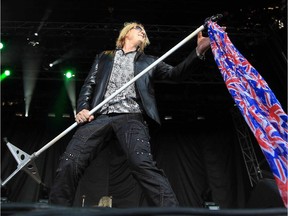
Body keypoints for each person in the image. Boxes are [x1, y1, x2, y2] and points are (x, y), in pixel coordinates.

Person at [49, 21, 210, 207]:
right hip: (100, 115)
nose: (143, 32)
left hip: (131, 117)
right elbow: (89, 85)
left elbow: (175, 74)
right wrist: (83, 107)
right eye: (138, 29)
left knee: (141, 164)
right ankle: (57, 210)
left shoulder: (149, 61)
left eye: (144, 30)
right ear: (126, 35)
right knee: (70, 161)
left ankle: (170, 210)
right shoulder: (104, 57)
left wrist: (198, 53)